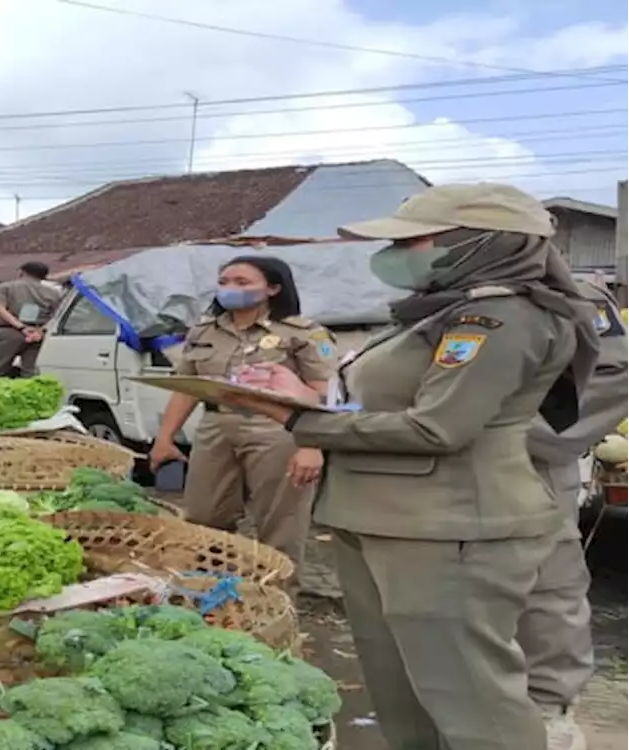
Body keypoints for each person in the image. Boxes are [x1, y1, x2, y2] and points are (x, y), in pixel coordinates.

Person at [225, 183, 599, 750]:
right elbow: (385, 404)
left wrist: (295, 421)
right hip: (384, 519)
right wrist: (303, 396)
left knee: (472, 703)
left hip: (449, 529)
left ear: (479, 243)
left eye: (414, 240)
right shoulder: (435, 312)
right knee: (402, 697)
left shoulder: (499, 319)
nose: (396, 252)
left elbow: (438, 428)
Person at [147, 256, 337, 591]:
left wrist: (312, 445)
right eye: (224, 281)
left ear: (273, 288)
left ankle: (276, 600)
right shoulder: (204, 331)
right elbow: (185, 387)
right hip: (216, 427)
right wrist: (165, 437)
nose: (230, 289)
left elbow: (323, 395)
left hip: (277, 431)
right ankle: (212, 594)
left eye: (242, 282)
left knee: (280, 524)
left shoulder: (303, 333)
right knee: (204, 518)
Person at [521, 277, 629, 750]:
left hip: (528, 464)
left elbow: (610, 375)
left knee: (546, 583)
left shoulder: (567, 294)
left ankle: (549, 710)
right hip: (444, 480)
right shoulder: (437, 297)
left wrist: (522, 433)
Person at [0, 262, 63, 378]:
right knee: (31, 373)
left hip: (9, 331)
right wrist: (40, 331)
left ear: (22, 272)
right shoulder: (53, 293)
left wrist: (21, 327)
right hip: (38, 335)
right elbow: (57, 315)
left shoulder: (6, 287)